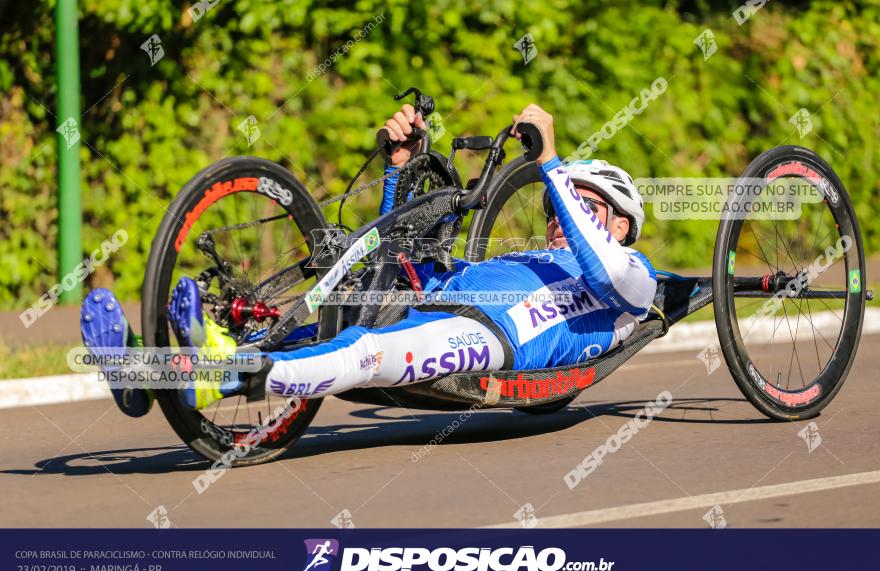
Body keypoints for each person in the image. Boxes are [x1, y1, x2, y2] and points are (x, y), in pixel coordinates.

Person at [83, 104, 656, 411]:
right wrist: (398, 171)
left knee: (367, 351)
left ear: (622, 223)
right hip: (435, 301)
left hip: (483, 338)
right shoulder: (525, 260)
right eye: (556, 205)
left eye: (579, 205)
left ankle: (225, 376)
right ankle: (143, 373)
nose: (560, 215)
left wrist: (552, 164)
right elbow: (403, 258)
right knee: (328, 319)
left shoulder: (635, 279)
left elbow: (608, 269)